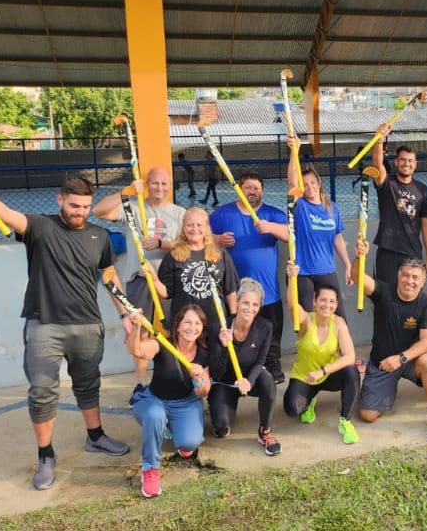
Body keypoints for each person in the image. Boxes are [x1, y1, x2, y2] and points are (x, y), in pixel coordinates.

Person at [0, 174, 131, 490]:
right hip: (44, 324)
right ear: (59, 199)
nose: (81, 212)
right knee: (42, 392)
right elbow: (6, 214)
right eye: (74, 205)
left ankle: (95, 436)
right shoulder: (40, 227)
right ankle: (46, 456)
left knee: (88, 384)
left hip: (88, 324)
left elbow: (109, 274)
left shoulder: (99, 236)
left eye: (86, 206)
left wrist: (126, 312)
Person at [92, 167, 184, 397]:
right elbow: (99, 211)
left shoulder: (179, 213)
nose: (159, 188)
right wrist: (127, 192)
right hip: (139, 278)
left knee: (176, 330)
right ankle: (142, 383)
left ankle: (176, 376)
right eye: (155, 183)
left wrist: (161, 244)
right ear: (147, 183)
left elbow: (188, 244)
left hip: (168, 281)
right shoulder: (133, 207)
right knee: (139, 331)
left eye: (164, 184)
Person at [352, 238, 427, 441]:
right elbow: (357, 277)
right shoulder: (383, 291)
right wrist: (359, 257)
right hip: (382, 363)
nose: (409, 281)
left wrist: (401, 358)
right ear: (398, 275)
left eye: (415, 277)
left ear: (422, 282)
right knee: (367, 415)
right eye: (405, 275)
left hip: (409, 361)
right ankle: (387, 389)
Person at [209, 171, 290, 384]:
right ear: (240, 190)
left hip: (268, 290)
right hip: (234, 290)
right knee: (234, 332)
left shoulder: (273, 214)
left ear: (262, 191)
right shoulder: (222, 214)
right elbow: (201, 235)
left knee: (272, 331)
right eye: (248, 188)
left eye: (256, 188)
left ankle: (273, 367)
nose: (252, 192)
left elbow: (292, 235)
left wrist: (269, 227)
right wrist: (218, 239)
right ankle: (234, 370)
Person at [126, 304, 210, 498]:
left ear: (202, 328)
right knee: (155, 416)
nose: (192, 327)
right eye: (187, 322)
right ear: (178, 326)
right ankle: (150, 469)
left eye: (197, 323)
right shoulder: (163, 343)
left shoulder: (203, 354)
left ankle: (172, 428)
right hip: (154, 401)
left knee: (190, 443)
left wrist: (199, 378)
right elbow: (136, 350)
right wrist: (137, 327)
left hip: (186, 404)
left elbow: (203, 393)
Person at [282, 263, 361, 444]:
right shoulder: (306, 320)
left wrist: (323, 370)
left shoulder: (339, 323)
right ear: (314, 302)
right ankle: (310, 402)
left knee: (351, 371)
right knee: (292, 409)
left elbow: (350, 356)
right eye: (323, 300)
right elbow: (293, 306)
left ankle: (345, 421)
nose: (327, 304)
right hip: (305, 377)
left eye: (332, 301)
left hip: (327, 375)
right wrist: (292, 279)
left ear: (336, 304)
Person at [207, 278, 282, 455]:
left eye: (255, 304)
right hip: (225, 383)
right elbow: (216, 374)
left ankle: (265, 431)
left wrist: (249, 381)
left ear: (260, 307)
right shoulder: (220, 327)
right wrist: (224, 348)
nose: (250, 308)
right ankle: (220, 410)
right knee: (220, 429)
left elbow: (260, 362)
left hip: (248, 380)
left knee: (267, 379)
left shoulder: (265, 327)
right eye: (246, 303)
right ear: (237, 302)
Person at [286, 138, 353, 319]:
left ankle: (340, 348)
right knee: (306, 319)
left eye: (312, 183)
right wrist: (294, 151)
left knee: (338, 317)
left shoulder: (332, 208)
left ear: (319, 183)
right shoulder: (300, 206)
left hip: (326, 270)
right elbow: (292, 184)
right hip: (303, 273)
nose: (310, 188)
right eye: (305, 184)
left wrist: (348, 265)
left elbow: (337, 239)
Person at [149, 207, 239, 339]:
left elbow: (230, 290)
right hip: (185, 325)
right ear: (183, 228)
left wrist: (233, 318)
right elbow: (166, 293)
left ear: (207, 228)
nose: (194, 229)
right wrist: (154, 279)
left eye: (199, 225)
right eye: (190, 225)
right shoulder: (173, 255)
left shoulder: (220, 254)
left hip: (215, 323)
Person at [370, 124, 427, 285]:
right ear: (396, 162)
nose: (407, 163)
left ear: (416, 164)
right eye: (403, 160)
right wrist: (379, 140)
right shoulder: (387, 184)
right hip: (388, 251)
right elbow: (377, 166)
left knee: (411, 294)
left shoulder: (423, 190)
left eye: (410, 161)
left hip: (413, 252)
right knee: (384, 296)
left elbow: (426, 224)